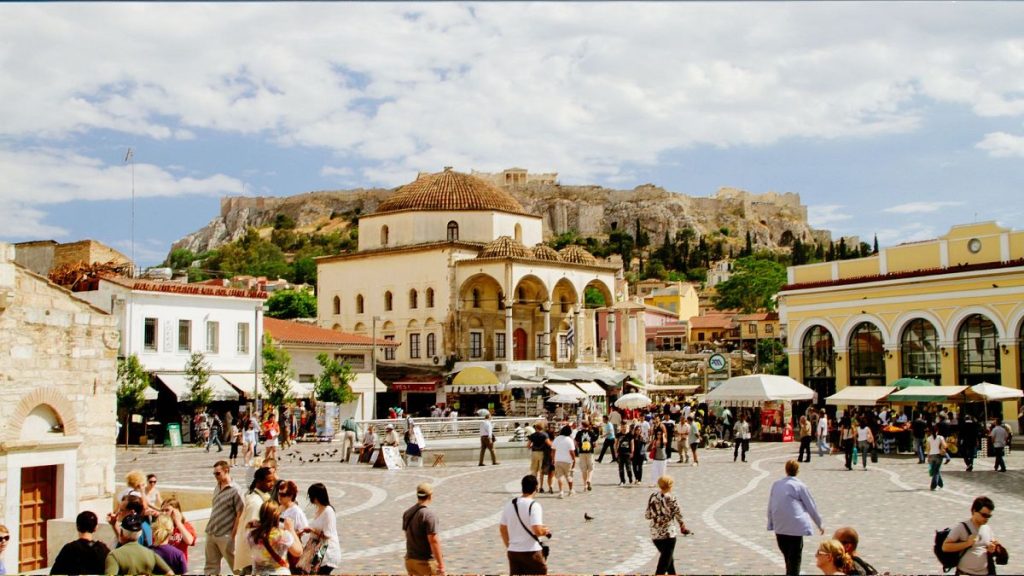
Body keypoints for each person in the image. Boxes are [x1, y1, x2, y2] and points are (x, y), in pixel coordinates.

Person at [767, 460, 825, 576]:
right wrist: (819, 524)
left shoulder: (776, 484)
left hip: (780, 526)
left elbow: (771, 505)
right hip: (796, 527)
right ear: (797, 471)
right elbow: (811, 506)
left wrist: (771, 523)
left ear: (786, 470)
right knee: (794, 559)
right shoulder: (800, 486)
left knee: (788, 557)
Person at [499, 475, 549, 575]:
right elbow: (537, 530)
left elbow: (502, 528)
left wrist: (510, 546)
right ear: (536, 488)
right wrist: (545, 531)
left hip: (513, 552)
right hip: (531, 551)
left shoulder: (510, 504)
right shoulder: (534, 505)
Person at [942, 496, 1001, 576]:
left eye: (989, 516)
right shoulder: (961, 527)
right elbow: (945, 547)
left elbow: (991, 547)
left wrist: (992, 549)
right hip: (965, 573)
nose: (986, 518)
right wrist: (967, 543)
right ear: (974, 511)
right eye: (984, 515)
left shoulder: (987, 528)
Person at [234, 466, 277, 574]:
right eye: (269, 481)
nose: (272, 484)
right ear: (259, 482)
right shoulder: (255, 503)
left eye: (273, 481)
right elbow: (251, 532)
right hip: (253, 558)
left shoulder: (261, 498)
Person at [205, 460, 244, 574]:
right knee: (210, 566)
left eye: (218, 473)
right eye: (214, 474)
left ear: (226, 471)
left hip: (226, 534)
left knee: (237, 566)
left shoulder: (236, 490)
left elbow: (240, 514)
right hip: (212, 532)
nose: (215, 476)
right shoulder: (217, 486)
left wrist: (233, 535)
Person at [645, 475, 689, 575]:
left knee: (668, 560)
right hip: (668, 534)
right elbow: (678, 514)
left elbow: (647, 515)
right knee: (664, 563)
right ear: (670, 486)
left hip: (655, 534)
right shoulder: (671, 498)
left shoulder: (653, 496)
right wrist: (682, 525)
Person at [104, 514, 172, 576]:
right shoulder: (151, 554)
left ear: (121, 533)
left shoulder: (114, 556)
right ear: (140, 534)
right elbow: (170, 574)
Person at [247, 501, 302, 576]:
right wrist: (291, 529)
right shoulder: (282, 535)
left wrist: (259, 523)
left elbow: (255, 528)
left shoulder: (251, 535)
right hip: (279, 573)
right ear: (277, 516)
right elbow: (298, 552)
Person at [403, 483, 445, 576]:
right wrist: (441, 565)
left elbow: (408, 535)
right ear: (430, 496)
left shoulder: (407, 512)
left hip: (410, 561)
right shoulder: (429, 515)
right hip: (425, 563)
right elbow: (434, 541)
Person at [49, 511, 111, 576]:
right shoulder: (102, 549)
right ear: (95, 528)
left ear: (77, 527)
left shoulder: (69, 548)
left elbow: (55, 572)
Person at [302, 483, 341, 574]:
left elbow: (327, 535)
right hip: (317, 550)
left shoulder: (328, 511)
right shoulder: (318, 510)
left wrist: (312, 530)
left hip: (326, 551)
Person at [159, 497, 197, 563]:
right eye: (162, 510)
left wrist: (178, 523)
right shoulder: (159, 527)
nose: (164, 513)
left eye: (167, 510)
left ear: (176, 511)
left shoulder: (185, 526)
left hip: (179, 564)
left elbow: (189, 541)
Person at [551, 425, 577, 497]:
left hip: (558, 460)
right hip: (567, 461)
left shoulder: (557, 439)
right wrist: (574, 460)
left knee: (559, 476)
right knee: (569, 476)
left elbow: (553, 450)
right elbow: (572, 452)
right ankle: (571, 490)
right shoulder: (569, 440)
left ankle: (561, 492)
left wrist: (553, 459)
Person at [575, 420, 599, 491]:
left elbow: (576, 443)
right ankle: (589, 480)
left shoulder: (579, 433)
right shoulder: (591, 433)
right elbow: (595, 443)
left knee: (584, 470)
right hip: (590, 453)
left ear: (582, 425)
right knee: (591, 469)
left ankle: (585, 486)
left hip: (582, 453)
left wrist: (579, 447)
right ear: (588, 426)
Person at [926, 425, 947, 491]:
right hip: (938, 455)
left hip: (931, 456)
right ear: (937, 431)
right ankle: (933, 486)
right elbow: (945, 446)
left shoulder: (928, 438)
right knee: (936, 471)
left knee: (935, 470)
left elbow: (928, 449)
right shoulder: (940, 438)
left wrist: (928, 456)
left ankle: (940, 484)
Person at [649, 419, 669, 483]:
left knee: (662, 472)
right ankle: (654, 482)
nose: (659, 435)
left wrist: (663, 435)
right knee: (654, 471)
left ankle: (662, 483)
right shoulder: (655, 441)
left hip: (662, 459)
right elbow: (652, 447)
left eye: (660, 434)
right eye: (658, 434)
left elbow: (665, 442)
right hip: (656, 458)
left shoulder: (663, 440)